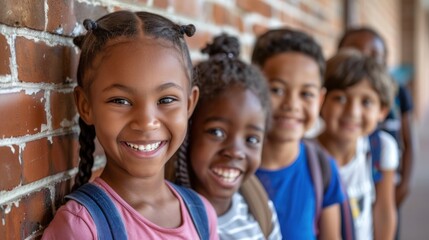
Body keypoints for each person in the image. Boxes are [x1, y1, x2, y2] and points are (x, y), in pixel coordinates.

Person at [42, 11, 219, 239]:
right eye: (120, 101)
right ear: (86, 106)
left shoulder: (203, 214)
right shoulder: (81, 227)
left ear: (189, 104)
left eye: (166, 100)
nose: (146, 122)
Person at [173, 33, 282, 240]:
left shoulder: (260, 211)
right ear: (188, 130)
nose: (235, 151)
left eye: (251, 139)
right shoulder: (168, 221)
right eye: (217, 132)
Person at [251, 28, 345, 240]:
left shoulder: (322, 169)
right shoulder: (231, 166)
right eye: (276, 89)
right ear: (254, 90)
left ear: (320, 99)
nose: (291, 105)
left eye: (306, 94)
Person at [317, 49, 398, 240]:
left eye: (367, 102)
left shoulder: (381, 148)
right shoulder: (306, 154)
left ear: (382, 111)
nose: (353, 112)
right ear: (322, 100)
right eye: (340, 98)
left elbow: (384, 211)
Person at [337, 27, 415, 209]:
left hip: (387, 183)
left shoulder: (399, 93)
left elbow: (409, 141)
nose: (364, 58)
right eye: (355, 50)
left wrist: (404, 184)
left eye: (374, 54)